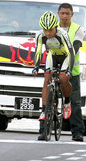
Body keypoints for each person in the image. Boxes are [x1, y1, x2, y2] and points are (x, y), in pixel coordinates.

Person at [32, 11, 75, 141]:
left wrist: (69, 70)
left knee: (62, 78)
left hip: (65, 56)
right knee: (47, 78)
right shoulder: (40, 35)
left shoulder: (63, 34)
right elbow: (38, 52)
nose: (48, 33)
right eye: (45, 30)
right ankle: (44, 110)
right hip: (53, 55)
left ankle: (67, 102)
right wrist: (36, 66)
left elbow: (71, 53)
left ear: (56, 27)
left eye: (50, 30)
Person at [58, 2, 86, 142]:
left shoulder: (78, 29)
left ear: (72, 15)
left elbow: (76, 47)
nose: (64, 16)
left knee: (74, 102)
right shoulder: (52, 27)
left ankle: (77, 132)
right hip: (54, 68)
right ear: (58, 14)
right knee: (48, 97)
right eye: (62, 13)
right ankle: (44, 129)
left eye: (67, 13)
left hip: (71, 72)